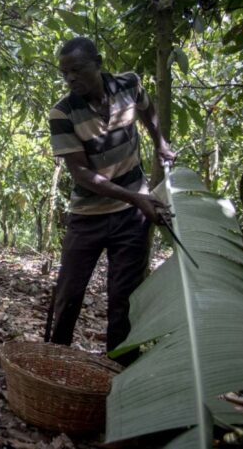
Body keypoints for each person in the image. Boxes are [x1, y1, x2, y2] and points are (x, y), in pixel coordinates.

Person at [48, 37, 175, 365]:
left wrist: (160, 142)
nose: (70, 79)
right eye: (65, 74)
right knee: (69, 295)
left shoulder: (129, 85)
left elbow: (148, 110)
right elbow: (82, 174)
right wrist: (135, 197)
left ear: (98, 63)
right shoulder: (63, 113)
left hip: (131, 217)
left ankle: (121, 371)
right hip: (88, 216)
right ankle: (51, 362)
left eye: (76, 70)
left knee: (125, 300)